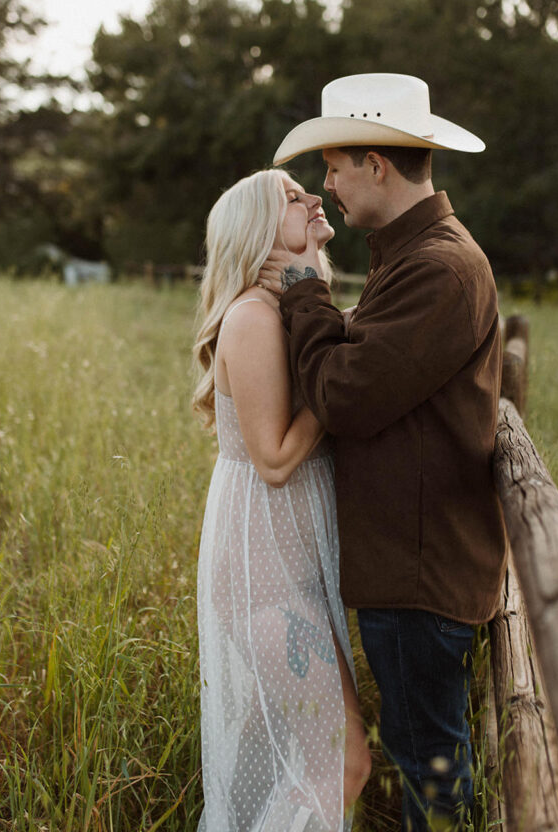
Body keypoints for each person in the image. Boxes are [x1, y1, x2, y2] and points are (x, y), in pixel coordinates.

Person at [257, 73, 508, 831]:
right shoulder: (413, 256)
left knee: (428, 767)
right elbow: (361, 371)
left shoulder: (436, 266)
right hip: (412, 563)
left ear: (378, 164)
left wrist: (302, 292)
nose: (327, 186)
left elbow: (342, 395)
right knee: (422, 755)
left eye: (335, 167)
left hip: (417, 571)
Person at [193, 169, 371, 832]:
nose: (314, 197)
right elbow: (273, 460)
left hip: (284, 568)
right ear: (261, 237)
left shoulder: (285, 310)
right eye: (293, 198)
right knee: (342, 765)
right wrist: (345, 379)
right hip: (264, 579)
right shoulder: (252, 319)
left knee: (326, 763)